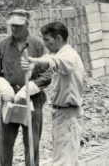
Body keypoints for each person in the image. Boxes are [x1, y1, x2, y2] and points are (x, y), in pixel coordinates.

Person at [0, 9, 51, 166]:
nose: (14, 28)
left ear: (27, 24)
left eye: (18, 25)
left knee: (32, 142)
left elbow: (47, 75)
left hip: (33, 100)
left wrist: (29, 88)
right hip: (9, 99)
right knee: (5, 143)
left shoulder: (38, 45)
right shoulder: (3, 45)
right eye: (12, 25)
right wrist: (3, 86)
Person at [20, 22, 84, 166]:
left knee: (63, 162)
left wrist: (34, 61)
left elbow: (53, 60)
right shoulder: (63, 54)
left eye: (48, 40)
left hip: (68, 116)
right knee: (68, 160)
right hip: (63, 115)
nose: (45, 44)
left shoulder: (68, 56)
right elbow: (52, 58)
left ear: (59, 38)